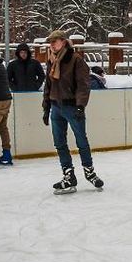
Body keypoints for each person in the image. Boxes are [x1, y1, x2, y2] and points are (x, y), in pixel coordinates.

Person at [43, 30, 104, 194]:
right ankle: (68, 175)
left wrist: (80, 105)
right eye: (50, 42)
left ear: (63, 42)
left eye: (55, 41)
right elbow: (48, 85)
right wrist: (46, 106)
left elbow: (83, 84)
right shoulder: (51, 59)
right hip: (56, 107)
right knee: (59, 143)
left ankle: (89, 172)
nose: (52, 45)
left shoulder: (75, 59)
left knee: (81, 140)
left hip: (72, 107)